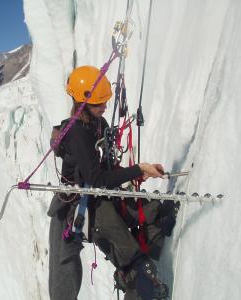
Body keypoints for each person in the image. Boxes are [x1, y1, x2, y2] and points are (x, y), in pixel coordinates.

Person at [48, 66, 171, 300]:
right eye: (99, 104)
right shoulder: (77, 132)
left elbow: (105, 169)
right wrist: (137, 169)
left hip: (97, 195)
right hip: (79, 204)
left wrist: (136, 173)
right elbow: (95, 179)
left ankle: (143, 263)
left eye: (105, 102)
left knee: (148, 211)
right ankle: (138, 279)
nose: (105, 107)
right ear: (82, 103)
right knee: (124, 246)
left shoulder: (98, 124)